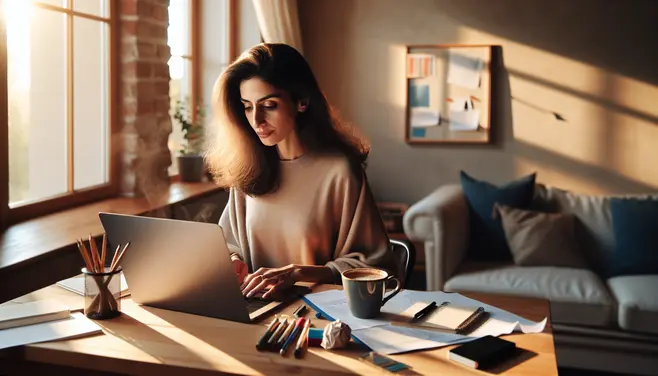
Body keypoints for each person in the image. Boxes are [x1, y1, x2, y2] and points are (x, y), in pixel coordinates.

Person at [205, 43, 397, 300]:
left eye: (269, 105)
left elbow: (375, 266)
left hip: (319, 313)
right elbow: (228, 242)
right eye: (248, 106)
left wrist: (298, 273)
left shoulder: (339, 172)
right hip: (254, 308)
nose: (256, 121)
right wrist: (232, 259)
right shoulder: (249, 167)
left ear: (302, 102)